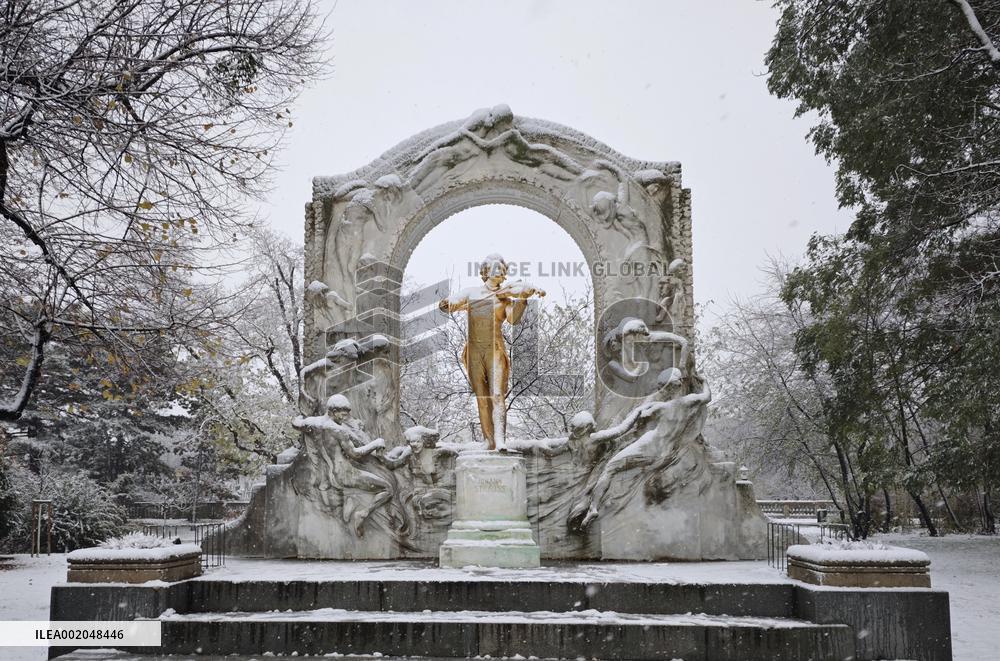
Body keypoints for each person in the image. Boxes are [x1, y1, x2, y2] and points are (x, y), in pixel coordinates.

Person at [439, 254, 545, 450]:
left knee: (497, 395)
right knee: (482, 398)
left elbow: (513, 320)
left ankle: (500, 441)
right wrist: (449, 302)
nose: (501, 271)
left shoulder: (504, 300)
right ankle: (488, 440)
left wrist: (522, 299)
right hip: (473, 351)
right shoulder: (471, 293)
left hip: (494, 348)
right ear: (486, 271)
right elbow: (445, 307)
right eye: (497, 267)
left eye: (504, 269)